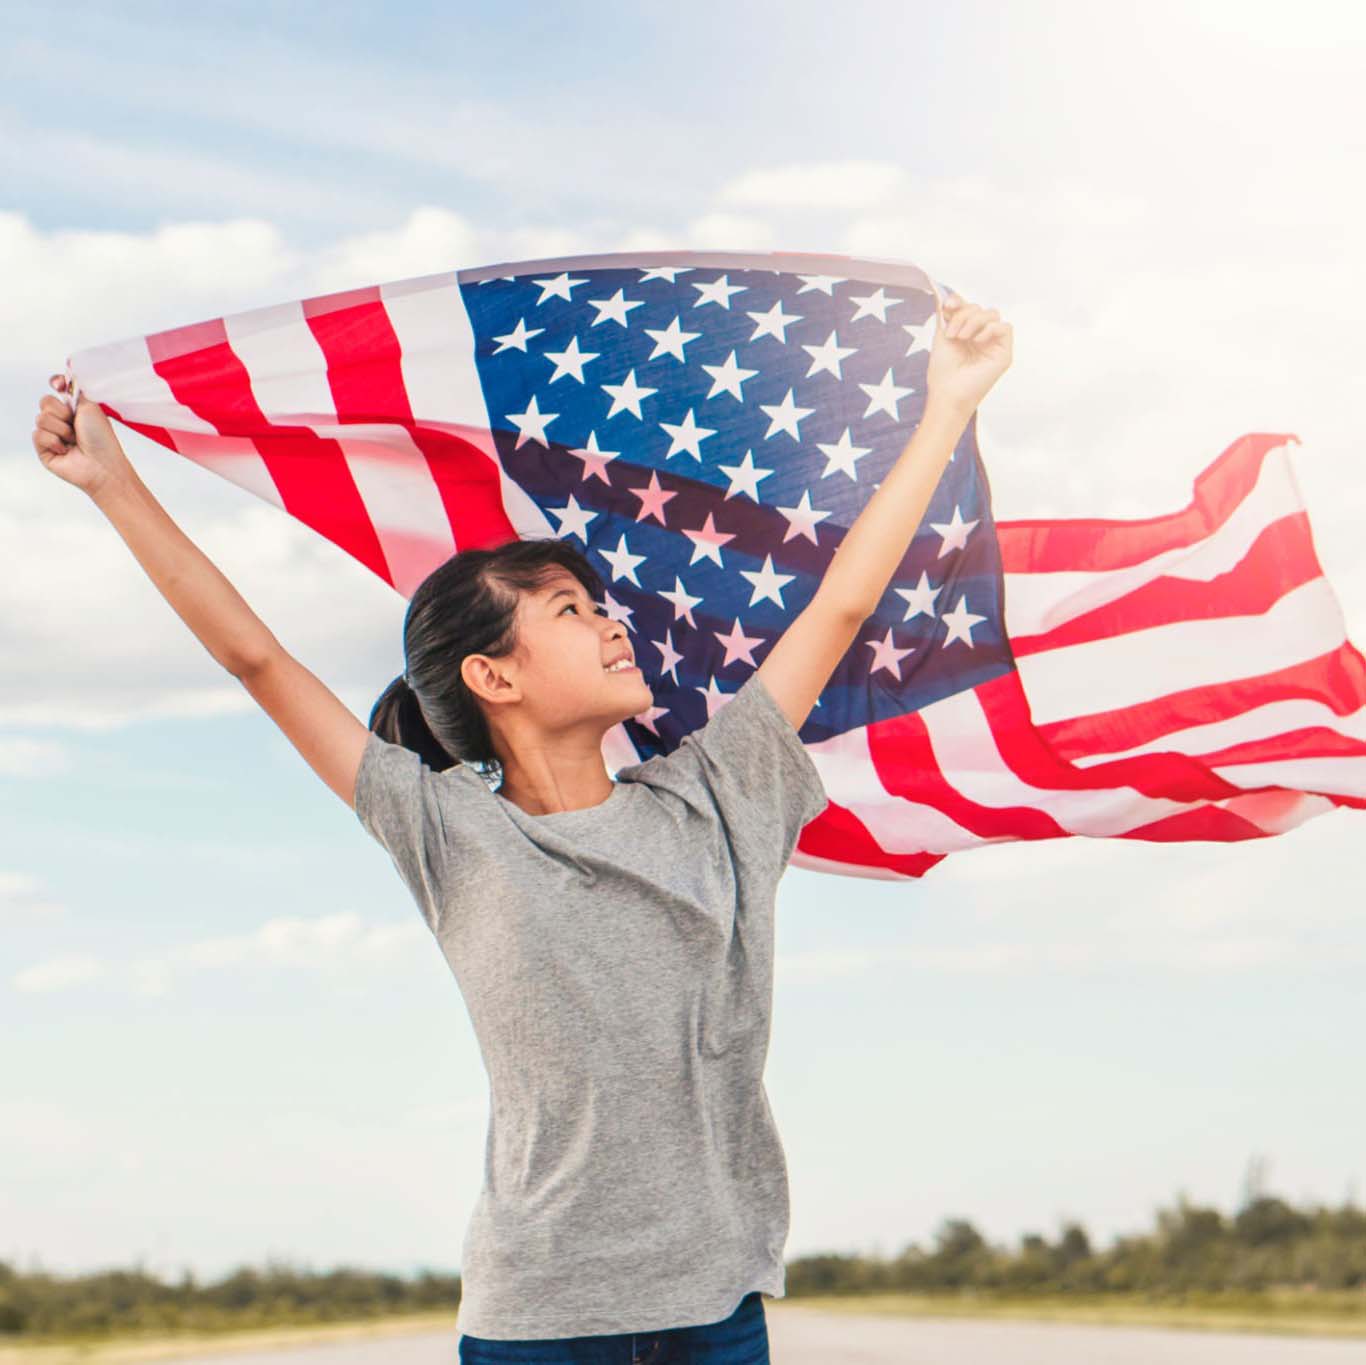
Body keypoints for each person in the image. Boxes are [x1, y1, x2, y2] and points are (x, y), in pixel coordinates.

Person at [31, 291, 1011, 1364]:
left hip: (718, 1316)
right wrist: (111, 484)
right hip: (539, 1322)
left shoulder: (722, 795)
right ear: (491, 674)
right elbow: (256, 658)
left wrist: (946, 408)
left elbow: (838, 609)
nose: (609, 623)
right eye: (570, 612)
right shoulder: (446, 830)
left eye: (598, 605)